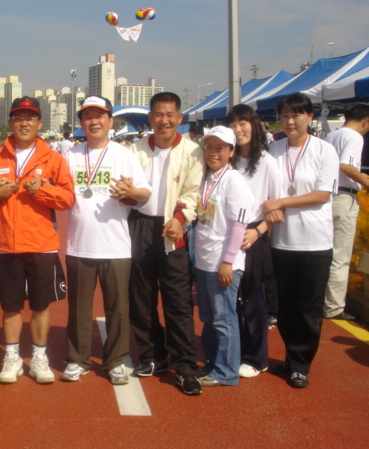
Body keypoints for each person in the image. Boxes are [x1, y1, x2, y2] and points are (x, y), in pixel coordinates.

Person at [0, 96, 74, 384]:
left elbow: (67, 199)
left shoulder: (53, 158)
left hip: (42, 244)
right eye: (19, 117)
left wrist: (40, 191)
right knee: (10, 306)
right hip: (8, 244)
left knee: (41, 305)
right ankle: (12, 356)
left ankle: (40, 357)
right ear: (10, 123)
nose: (24, 122)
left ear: (39, 123)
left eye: (30, 118)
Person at [62, 96, 151, 385]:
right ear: (81, 123)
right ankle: (78, 359)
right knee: (78, 308)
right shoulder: (71, 155)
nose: (94, 121)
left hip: (115, 245)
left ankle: (115, 361)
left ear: (110, 121)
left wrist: (130, 191)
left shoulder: (123, 154)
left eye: (100, 115)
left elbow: (144, 194)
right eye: (88, 116)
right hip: (79, 244)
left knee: (117, 308)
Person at [126, 92, 204, 395]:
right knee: (141, 298)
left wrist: (179, 220)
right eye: (158, 114)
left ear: (180, 118)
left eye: (170, 114)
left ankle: (185, 365)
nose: (164, 120)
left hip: (173, 228)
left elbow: (192, 194)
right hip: (140, 227)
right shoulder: (134, 150)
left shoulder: (193, 152)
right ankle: (153, 356)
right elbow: (126, 187)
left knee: (178, 301)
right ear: (150, 118)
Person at [262, 93, 338, 388]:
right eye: (284, 116)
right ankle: (291, 355)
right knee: (285, 307)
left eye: (296, 115)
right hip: (281, 242)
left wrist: (281, 202)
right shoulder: (274, 149)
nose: (290, 122)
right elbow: (265, 189)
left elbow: (322, 194)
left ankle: (301, 364)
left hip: (314, 243)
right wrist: (272, 202)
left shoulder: (324, 150)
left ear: (309, 116)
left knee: (308, 307)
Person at [194, 126, 254, 387]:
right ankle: (213, 362)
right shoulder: (207, 177)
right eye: (209, 147)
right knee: (208, 318)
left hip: (223, 262)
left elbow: (240, 225)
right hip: (204, 260)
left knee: (224, 318)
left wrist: (228, 261)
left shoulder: (234, 181)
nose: (213, 152)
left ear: (231, 151)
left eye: (220, 148)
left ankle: (227, 371)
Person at [227, 104, 282, 379]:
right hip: (227, 233)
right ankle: (235, 349)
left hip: (253, 235)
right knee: (230, 298)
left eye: (243, 123)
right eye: (233, 125)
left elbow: (277, 208)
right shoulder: (229, 159)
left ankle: (256, 357)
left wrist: (258, 231)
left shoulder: (268, 163)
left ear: (255, 125)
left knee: (254, 300)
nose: (238, 130)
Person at [324, 105, 369, 320]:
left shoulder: (331, 136)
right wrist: (365, 181)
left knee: (325, 252)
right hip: (343, 197)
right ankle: (333, 307)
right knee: (340, 256)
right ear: (365, 121)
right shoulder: (355, 137)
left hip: (326, 198)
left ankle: (322, 299)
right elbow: (346, 166)